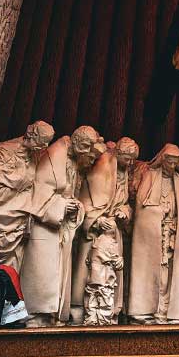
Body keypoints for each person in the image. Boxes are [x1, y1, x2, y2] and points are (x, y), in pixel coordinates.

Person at [19, 125, 105, 327]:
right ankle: (36, 315)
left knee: (55, 274)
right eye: (89, 156)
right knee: (42, 272)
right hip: (45, 227)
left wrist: (74, 206)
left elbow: (68, 195)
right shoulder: (55, 156)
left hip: (59, 229)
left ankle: (51, 316)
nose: (90, 161)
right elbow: (39, 197)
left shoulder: (72, 161)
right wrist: (63, 205)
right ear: (79, 146)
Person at [69, 136, 138, 325]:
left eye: (133, 159)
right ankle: (82, 311)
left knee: (112, 274)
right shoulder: (100, 170)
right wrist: (96, 220)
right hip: (94, 234)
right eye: (127, 158)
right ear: (119, 154)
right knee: (88, 272)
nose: (130, 163)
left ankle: (109, 312)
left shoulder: (123, 174)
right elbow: (86, 201)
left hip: (113, 232)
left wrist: (124, 211)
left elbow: (126, 203)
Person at [0, 120, 54, 267]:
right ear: (31, 135)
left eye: (47, 143)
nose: (45, 147)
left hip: (17, 218)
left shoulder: (36, 156)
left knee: (11, 265)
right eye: (42, 142)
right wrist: (20, 179)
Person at [128, 144, 179, 324]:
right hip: (152, 234)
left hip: (173, 234)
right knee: (152, 271)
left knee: (170, 273)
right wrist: (157, 212)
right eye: (168, 162)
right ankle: (146, 310)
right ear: (163, 161)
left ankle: (167, 311)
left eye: (174, 163)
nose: (171, 166)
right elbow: (141, 206)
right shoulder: (150, 177)